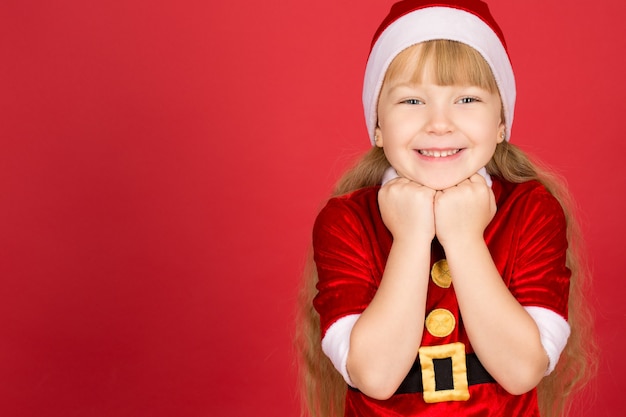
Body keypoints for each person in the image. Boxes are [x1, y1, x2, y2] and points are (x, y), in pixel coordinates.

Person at [295, 1, 596, 416]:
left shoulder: (532, 210)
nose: (439, 123)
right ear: (378, 125)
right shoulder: (346, 220)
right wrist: (411, 236)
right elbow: (376, 376)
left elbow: (523, 370)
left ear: (501, 123)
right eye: (412, 102)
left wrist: (464, 237)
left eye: (467, 99)